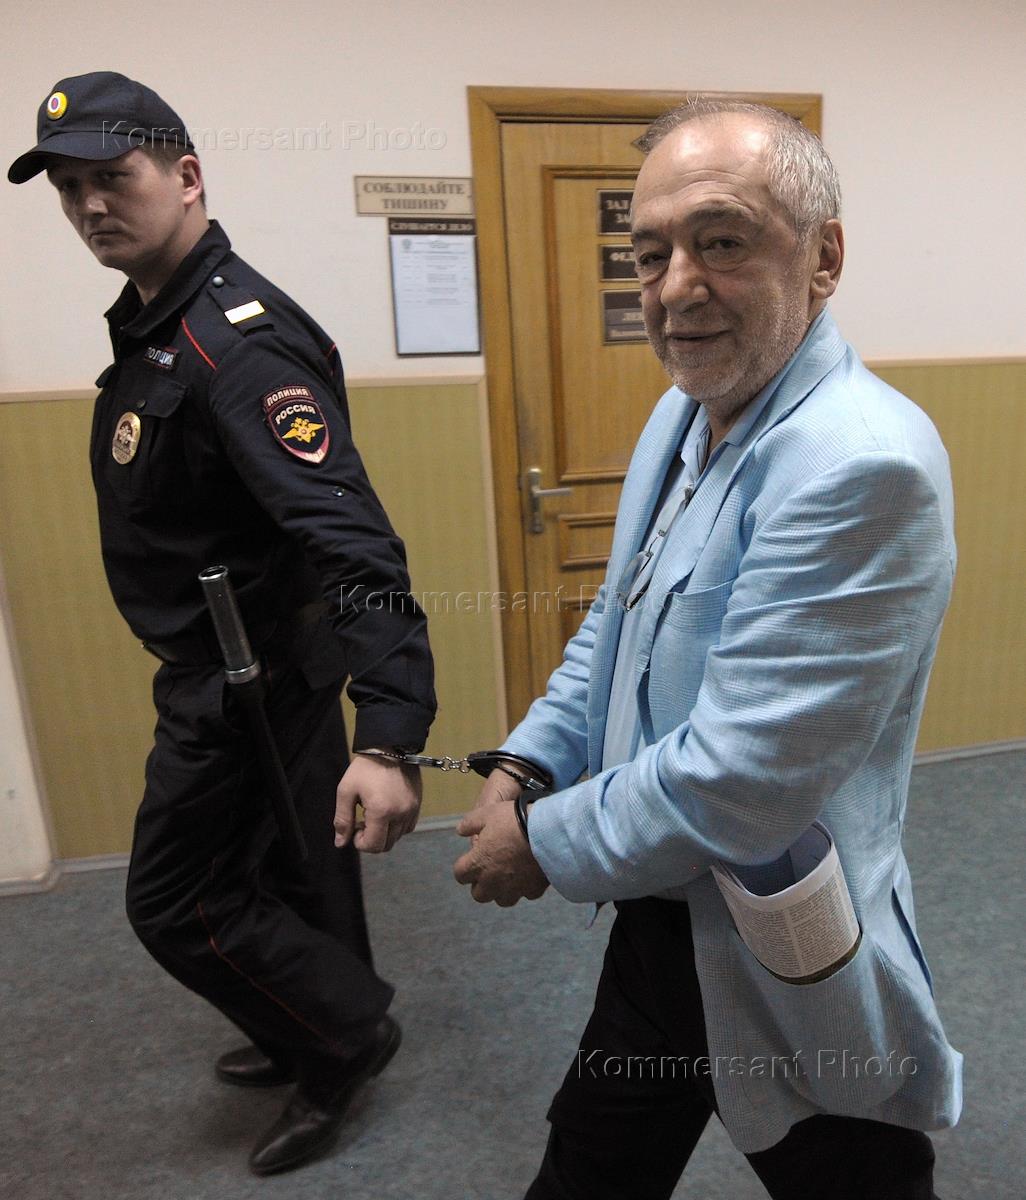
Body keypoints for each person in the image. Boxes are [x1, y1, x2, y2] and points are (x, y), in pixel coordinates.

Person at [454, 98, 962, 1199]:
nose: (676, 287)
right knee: (590, 1163)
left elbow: (745, 777)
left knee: (851, 1172)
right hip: (656, 908)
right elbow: (619, 621)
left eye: (722, 241)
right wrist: (530, 760)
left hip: (780, 930)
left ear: (823, 258)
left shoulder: (860, 465)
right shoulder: (687, 413)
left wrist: (538, 841)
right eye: (650, 254)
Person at [9, 71, 436, 1176]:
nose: (90, 205)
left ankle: (343, 1038)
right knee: (294, 867)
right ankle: (312, 1034)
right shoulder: (162, 321)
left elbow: (355, 543)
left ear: (187, 176)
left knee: (175, 901)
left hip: (248, 674)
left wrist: (391, 734)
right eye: (68, 189)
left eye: (114, 177)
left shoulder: (230, 343)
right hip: (247, 657)